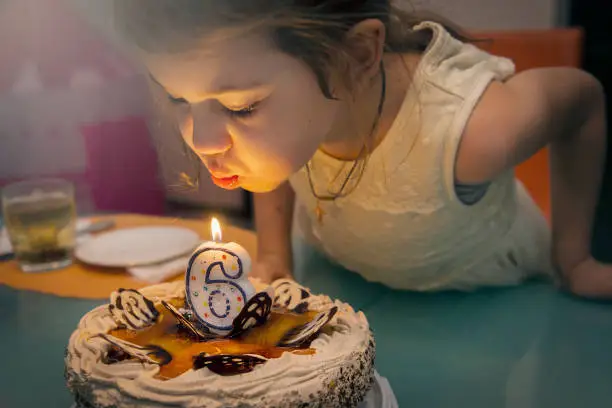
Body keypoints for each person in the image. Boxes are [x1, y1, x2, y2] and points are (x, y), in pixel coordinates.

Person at [113, 1, 609, 298]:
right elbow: (273, 165)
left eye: (240, 108)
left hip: (493, 315)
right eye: (178, 97)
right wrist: (272, 252)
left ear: (355, 56)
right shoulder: (290, 118)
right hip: (354, 293)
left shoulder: (471, 132)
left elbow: (583, 99)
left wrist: (575, 260)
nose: (199, 141)